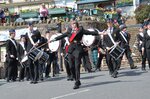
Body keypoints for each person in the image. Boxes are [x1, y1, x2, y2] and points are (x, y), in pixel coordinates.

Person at [51, 20, 99, 89]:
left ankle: (77, 81)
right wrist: (54, 39)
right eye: (72, 24)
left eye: (74, 24)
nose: (73, 25)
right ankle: (74, 77)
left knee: (77, 66)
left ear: (76, 24)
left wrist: (98, 33)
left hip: (78, 49)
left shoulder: (80, 30)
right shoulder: (69, 31)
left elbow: (88, 32)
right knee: (71, 66)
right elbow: (62, 36)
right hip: (71, 49)